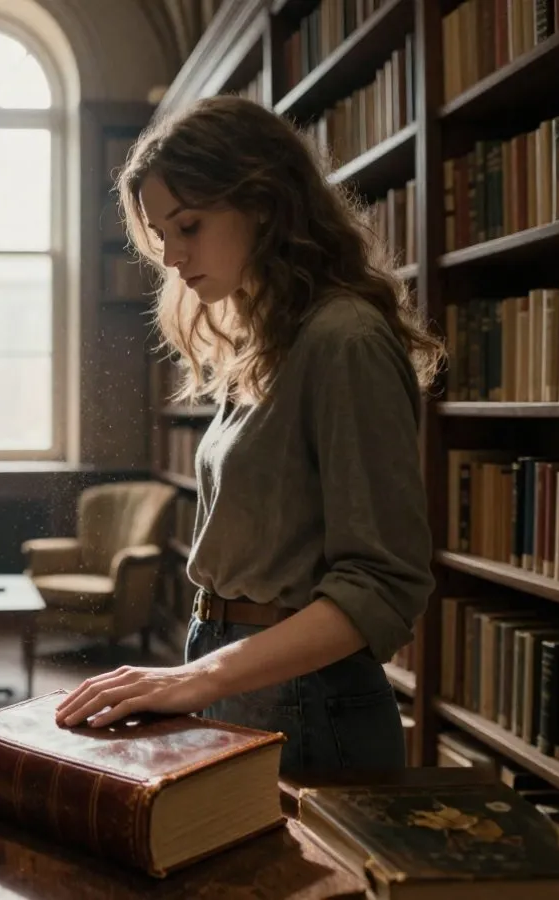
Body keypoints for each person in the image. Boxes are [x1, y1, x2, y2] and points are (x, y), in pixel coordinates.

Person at [55, 96, 444, 776]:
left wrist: (197, 679)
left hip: (306, 705)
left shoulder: (343, 338)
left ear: (262, 203)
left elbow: (383, 581)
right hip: (238, 676)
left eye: (189, 226)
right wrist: (200, 672)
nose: (172, 257)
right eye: (160, 234)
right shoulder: (269, 343)